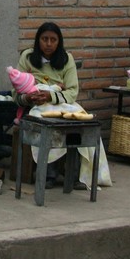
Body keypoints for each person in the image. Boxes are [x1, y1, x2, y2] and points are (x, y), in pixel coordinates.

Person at [12, 22, 112, 190]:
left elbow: (72, 92)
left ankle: (76, 175)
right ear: (38, 40)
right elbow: (16, 93)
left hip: (62, 103)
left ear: (59, 42)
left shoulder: (67, 59)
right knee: (49, 126)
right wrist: (29, 97)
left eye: (53, 40)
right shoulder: (28, 57)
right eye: (44, 39)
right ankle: (49, 174)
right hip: (36, 106)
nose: (49, 44)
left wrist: (51, 95)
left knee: (79, 124)